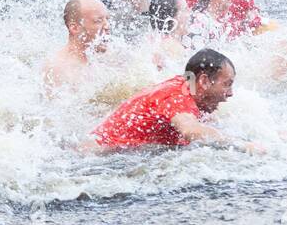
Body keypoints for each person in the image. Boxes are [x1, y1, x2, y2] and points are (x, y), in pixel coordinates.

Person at [86, 48, 256, 152]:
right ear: (203, 81)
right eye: (227, 84)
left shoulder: (188, 87)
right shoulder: (177, 97)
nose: (230, 93)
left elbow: (206, 124)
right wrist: (242, 146)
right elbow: (191, 131)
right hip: (100, 154)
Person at [42, 0, 109, 95]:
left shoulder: (109, 58)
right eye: (98, 21)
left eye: (107, 20)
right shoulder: (58, 69)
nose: (107, 26)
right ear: (74, 28)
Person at [148, 0, 192, 71]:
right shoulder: (173, 47)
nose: (190, 11)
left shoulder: (155, 39)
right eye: (185, 9)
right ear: (172, 17)